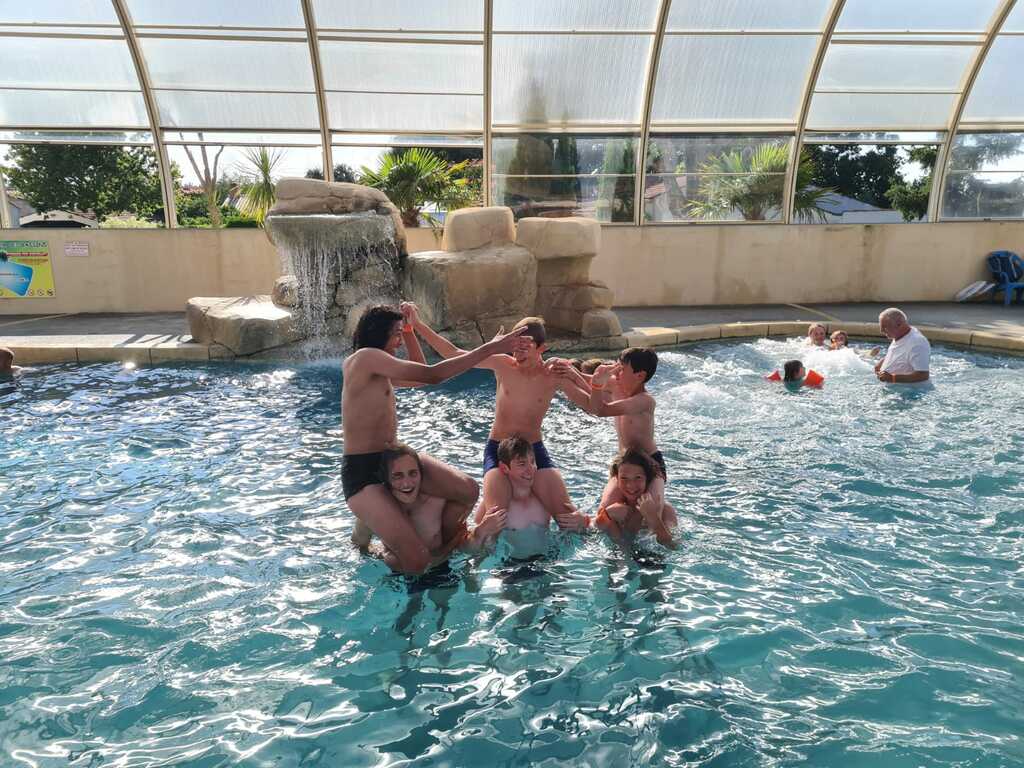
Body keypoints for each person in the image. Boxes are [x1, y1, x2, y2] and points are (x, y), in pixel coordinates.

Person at [342, 304, 528, 575]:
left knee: (467, 491)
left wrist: (410, 330)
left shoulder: (379, 366)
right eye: (396, 334)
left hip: (392, 460)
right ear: (379, 332)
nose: (399, 341)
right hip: (363, 472)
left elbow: (420, 374)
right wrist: (490, 348)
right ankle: (378, 542)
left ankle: (442, 549)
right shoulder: (365, 358)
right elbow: (432, 376)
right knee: (417, 562)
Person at [402, 304, 592, 532]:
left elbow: (594, 406)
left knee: (569, 517)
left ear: (542, 348)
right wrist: (417, 325)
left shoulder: (554, 375)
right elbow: (453, 354)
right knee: (496, 518)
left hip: (533, 450)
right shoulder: (502, 364)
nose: (518, 354)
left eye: (525, 347)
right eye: (515, 347)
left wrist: (576, 375)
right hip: (498, 449)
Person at [354, 444, 506, 569]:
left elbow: (460, 546)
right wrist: (383, 555)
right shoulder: (377, 510)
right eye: (397, 476)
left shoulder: (436, 501)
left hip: (440, 568)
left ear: (422, 474)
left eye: (413, 473)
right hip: (401, 574)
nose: (407, 483)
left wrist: (480, 533)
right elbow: (359, 545)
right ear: (386, 478)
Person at [551, 348, 665, 513]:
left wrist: (597, 384)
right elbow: (587, 382)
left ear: (639, 376)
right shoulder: (615, 384)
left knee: (652, 512)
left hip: (650, 463)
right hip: (625, 462)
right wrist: (569, 372)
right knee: (604, 511)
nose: (615, 372)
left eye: (621, 369)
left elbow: (600, 410)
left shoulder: (644, 401)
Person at [595, 448, 677, 548]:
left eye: (638, 478)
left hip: (652, 557)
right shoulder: (615, 510)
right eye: (624, 478)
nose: (630, 485)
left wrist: (653, 517)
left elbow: (673, 546)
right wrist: (607, 514)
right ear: (617, 479)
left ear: (647, 479)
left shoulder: (666, 510)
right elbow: (594, 534)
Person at [875, 307, 930, 384]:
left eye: (885, 327)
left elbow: (923, 375)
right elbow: (901, 353)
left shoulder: (917, 343)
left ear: (899, 325)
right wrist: (884, 361)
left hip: (909, 390)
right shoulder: (900, 335)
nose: (881, 330)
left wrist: (893, 378)